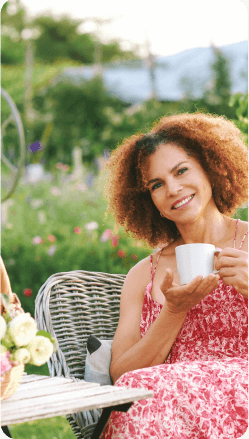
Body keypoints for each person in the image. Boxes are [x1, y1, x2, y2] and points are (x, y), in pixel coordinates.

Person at [100, 112, 248, 439]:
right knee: (135, 393)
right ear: (147, 199)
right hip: (165, 395)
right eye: (157, 184)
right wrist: (174, 310)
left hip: (240, 386)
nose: (173, 189)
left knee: (145, 394)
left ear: (212, 167)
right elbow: (121, 374)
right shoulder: (143, 275)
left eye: (182, 170)